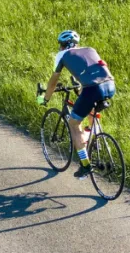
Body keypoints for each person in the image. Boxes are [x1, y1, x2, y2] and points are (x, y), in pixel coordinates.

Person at [37, 30, 116, 177]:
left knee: (74, 123)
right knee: (92, 112)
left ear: (63, 45)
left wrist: (45, 99)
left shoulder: (62, 55)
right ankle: (96, 141)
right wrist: (80, 89)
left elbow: (53, 82)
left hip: (93, 89)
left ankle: (85, 166)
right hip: (110, 85)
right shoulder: (90, 50)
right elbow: (86, 72)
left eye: (60, 44)